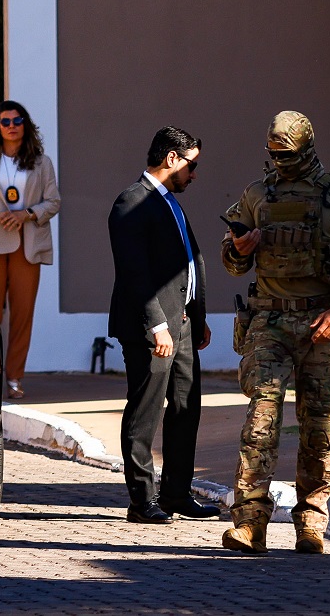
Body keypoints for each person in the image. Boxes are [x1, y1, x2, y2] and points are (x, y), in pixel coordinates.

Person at [220, 111, 330, 554]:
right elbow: (232, 262)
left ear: (307, 148)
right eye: (274, 154)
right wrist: (238, 250)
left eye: (288, 154)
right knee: (260, 422)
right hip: (268, 324)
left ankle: (311, 521)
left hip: (321, 325)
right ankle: (250, 523)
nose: (281, 162)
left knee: (320, 427)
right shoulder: (256, 195)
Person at [107, 126, 218, 525]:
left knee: (186, 408)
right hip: (151, 329)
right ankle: (142, 500)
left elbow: (188, 262)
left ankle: (176, 493)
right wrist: (157, 326)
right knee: (146, 411)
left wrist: (198, 317)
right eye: (192, 165)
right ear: (172, 158)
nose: (194, 174)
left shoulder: (170, 203)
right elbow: (135, 273)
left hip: (182, 324)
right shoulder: (131, 201)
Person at [0, 101, 62, 400]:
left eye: (17, 120)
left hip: (27, 244)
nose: (11, 126)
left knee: (22, 314)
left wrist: (27, 214)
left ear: (25, 124)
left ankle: (15, 377)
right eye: (5, 121)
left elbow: (53, 202)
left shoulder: (41, 162)